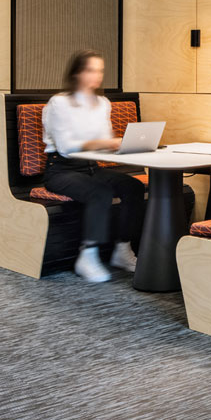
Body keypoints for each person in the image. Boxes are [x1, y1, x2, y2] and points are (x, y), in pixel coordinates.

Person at [41, 49, 145, 283]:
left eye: (99, 70)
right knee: (101, 193)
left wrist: (125, 145)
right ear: (77, 73)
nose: (96, 75)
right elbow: (67, 147)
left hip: (91, 167)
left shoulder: (102, 103)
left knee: (134, 187)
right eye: (90, 70)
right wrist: (106, 142)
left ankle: (122, 249)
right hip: (61, 170)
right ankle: (87, 255)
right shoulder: (59, 103)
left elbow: (103, 141)